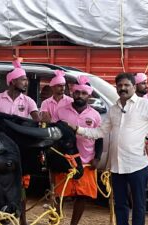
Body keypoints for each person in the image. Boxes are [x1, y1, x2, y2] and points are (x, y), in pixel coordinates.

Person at [73, 73, 148, 225]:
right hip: (117, 167)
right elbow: (99, 132)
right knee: (120, 205)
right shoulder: (113, 109)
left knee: (138, 205)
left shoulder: (145, 105)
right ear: (116, 88)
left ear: (134, 87)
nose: (123, 88)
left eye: (127, 85)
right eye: (120, 85)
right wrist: (77, 129)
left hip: (138, 164)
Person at [0, 58, 39, 225]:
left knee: (20, 188)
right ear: (12, 81)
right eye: (23, 80)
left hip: (20, 151)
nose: (26, 83)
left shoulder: (29, 101)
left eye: (26, 80)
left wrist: (42, 120)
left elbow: (37, 121)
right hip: (0, 150)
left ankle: (22, 221)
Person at [52, 75, 102, 225]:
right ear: (72, 93)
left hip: (86, 161)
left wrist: (97, 157)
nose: (80, 96)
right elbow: (54, 134)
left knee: (82, 196)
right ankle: (56, 221)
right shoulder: (60, 111)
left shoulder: (95, 115)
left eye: (84, 93)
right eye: (77, 93)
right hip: (65, 160)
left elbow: (100, 137)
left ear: (89, 95)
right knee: (59, 195)